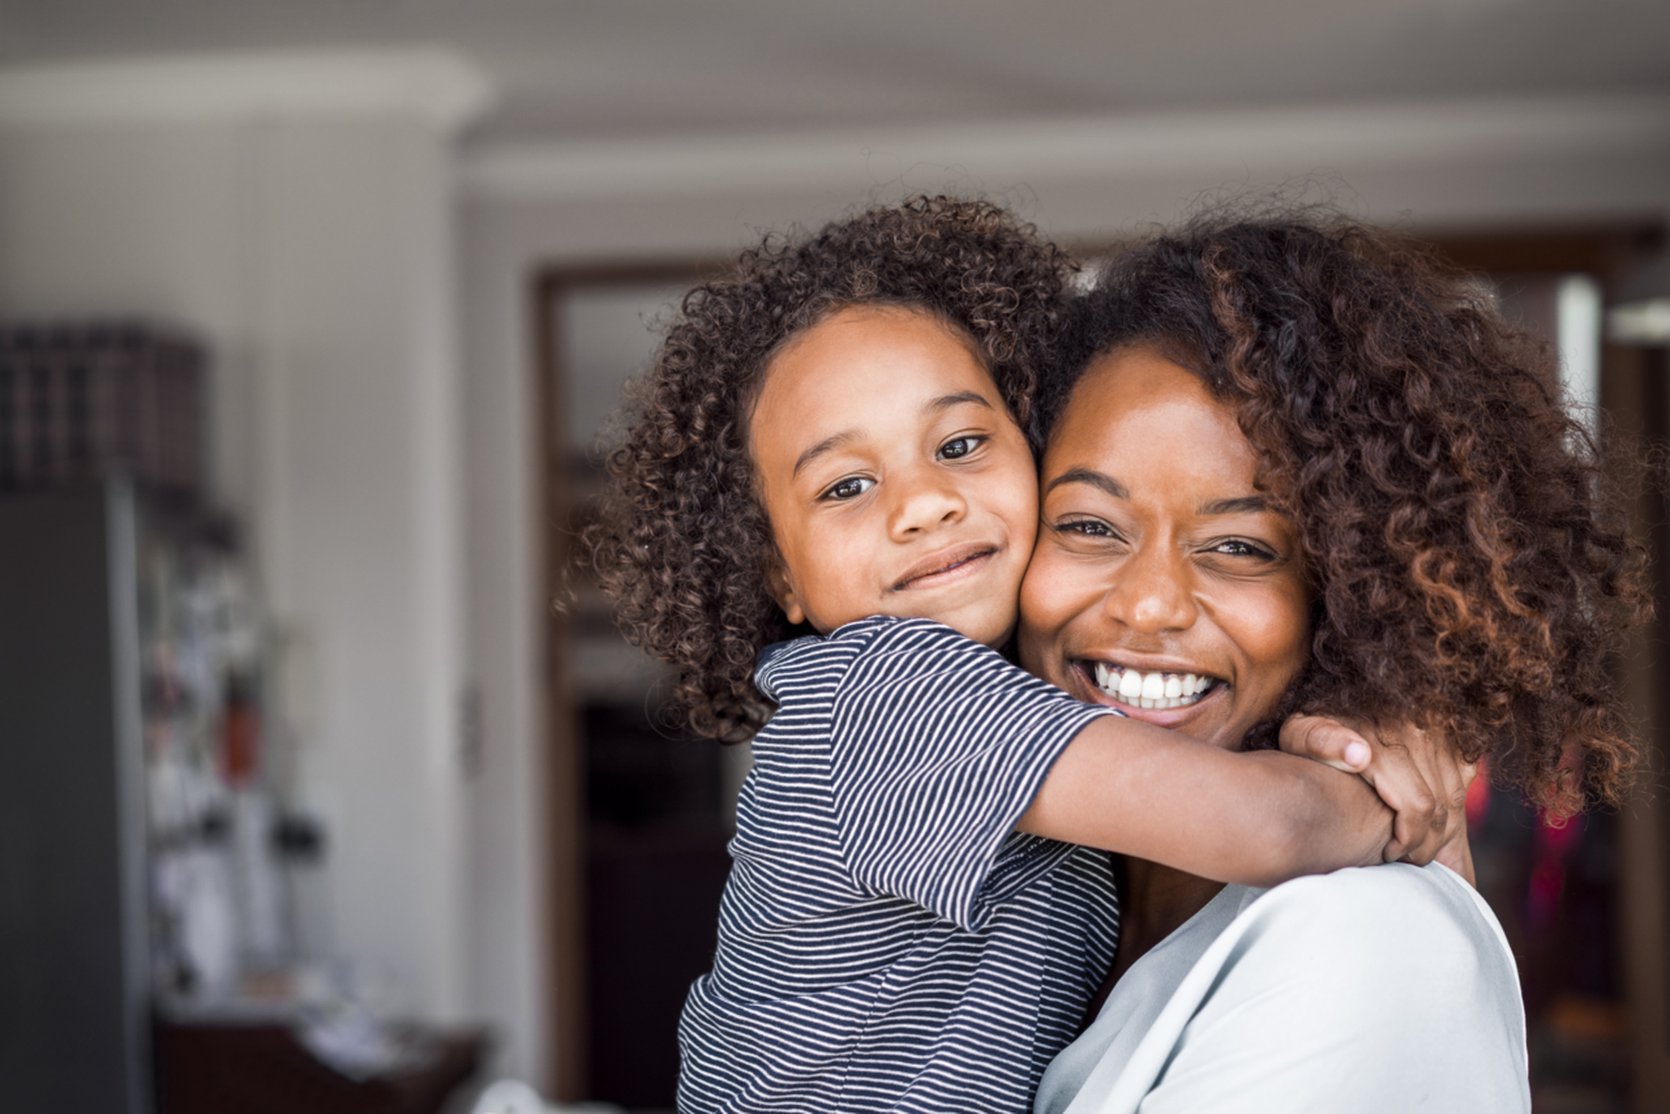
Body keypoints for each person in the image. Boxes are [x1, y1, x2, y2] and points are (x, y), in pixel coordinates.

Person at [584, 197, 1466, 1113]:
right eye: (846, 485)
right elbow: (1275, 830)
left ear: (1030, 446)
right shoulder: (882, 692)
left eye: (961, 444)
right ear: (782, 578)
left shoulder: (1030, 717)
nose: (923, 504)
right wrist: (1387, 784)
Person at [1023, 215, 1648, 1113]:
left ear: (1352, 597)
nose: (1149, 603)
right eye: (1088, 526)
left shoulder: (1370, 938)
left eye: (1239, 546)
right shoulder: (1036, 915)